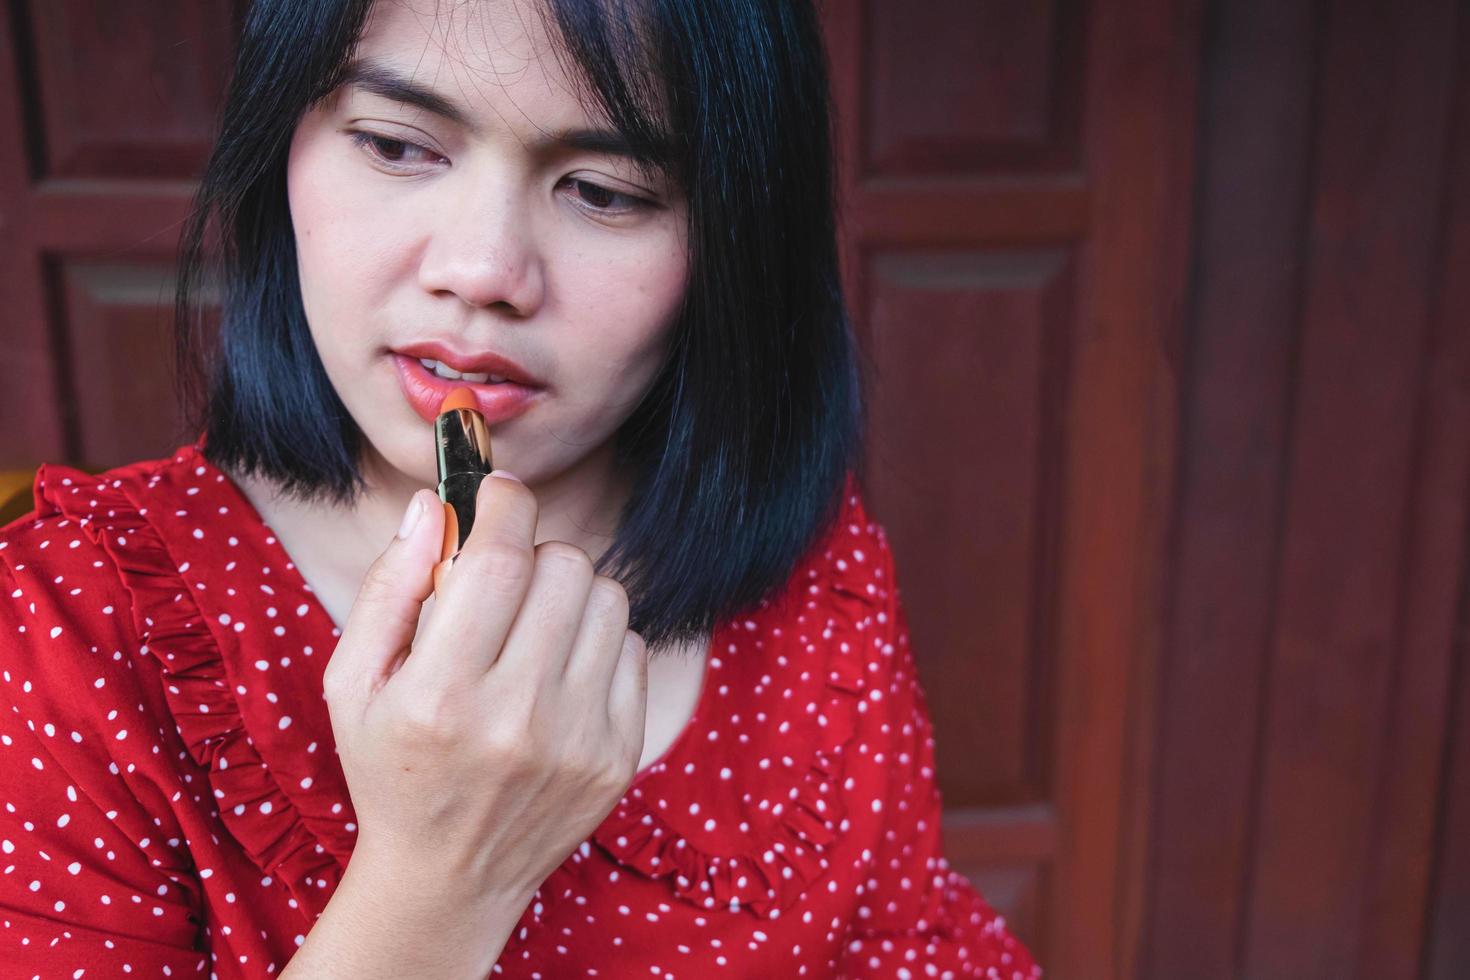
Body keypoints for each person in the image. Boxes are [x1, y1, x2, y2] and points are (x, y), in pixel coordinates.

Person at [0, 0, 1042, 976]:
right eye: (397, 144)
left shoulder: (817, 572)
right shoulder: (66, 636)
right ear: (281, 141)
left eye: (606, 191)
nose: (483, 268)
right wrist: (436, 879)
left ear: (735, 239)